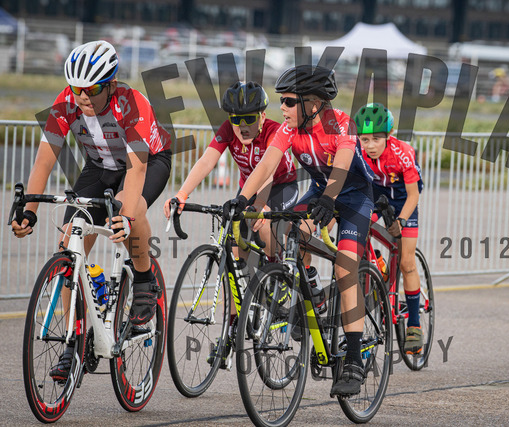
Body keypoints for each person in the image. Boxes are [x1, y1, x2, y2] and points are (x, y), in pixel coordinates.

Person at [11, 40, 171, 380]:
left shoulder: (132, 104)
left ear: (110, 84)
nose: (83, 96)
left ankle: (144, 281)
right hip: (100, 167)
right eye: (77, 88)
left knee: (131, 209)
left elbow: (137, 170)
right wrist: (29, 210)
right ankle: (76, 340)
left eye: (93, 89)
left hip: (147, 162)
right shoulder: (66, 103)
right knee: (68, 244)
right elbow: (44, 161)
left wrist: (126, 217)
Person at [222, 64, 375, 396]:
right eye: (281, 101)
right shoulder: (289, 129)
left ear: (313, 104)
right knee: (291, 232)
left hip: (353, 197)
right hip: (321, 192)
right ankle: (313, 295)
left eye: (289, 101)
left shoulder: (340, 123)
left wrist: (330, 199)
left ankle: (353, 358)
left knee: (345, 267)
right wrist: (241, 199)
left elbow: (342, 165)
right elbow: (266, 165)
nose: (283, 107)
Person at [163, 81, 298, 259]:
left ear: (262, 117)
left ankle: (276, 268)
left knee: (263, 225)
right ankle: (244, 274)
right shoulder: (227, 130)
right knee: (234, 240)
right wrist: (182, 194)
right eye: (236, 120)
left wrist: (260, 204)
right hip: (248, 188)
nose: (242, 126)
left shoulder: (273, 131)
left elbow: (267, 171)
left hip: (281, 186)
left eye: (249, 119)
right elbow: (206, 162)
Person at [354, 102, 424, 355]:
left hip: (404, 200)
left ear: (389, 135)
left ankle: (414, 325)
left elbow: (414, 195)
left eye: (376, 139)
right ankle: (378, 264)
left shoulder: (402, 152)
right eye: (365, 139)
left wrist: (401, 221)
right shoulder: (357, 152)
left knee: (406, 262)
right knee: (358, 227)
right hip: (378, 197)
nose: (370, 145)